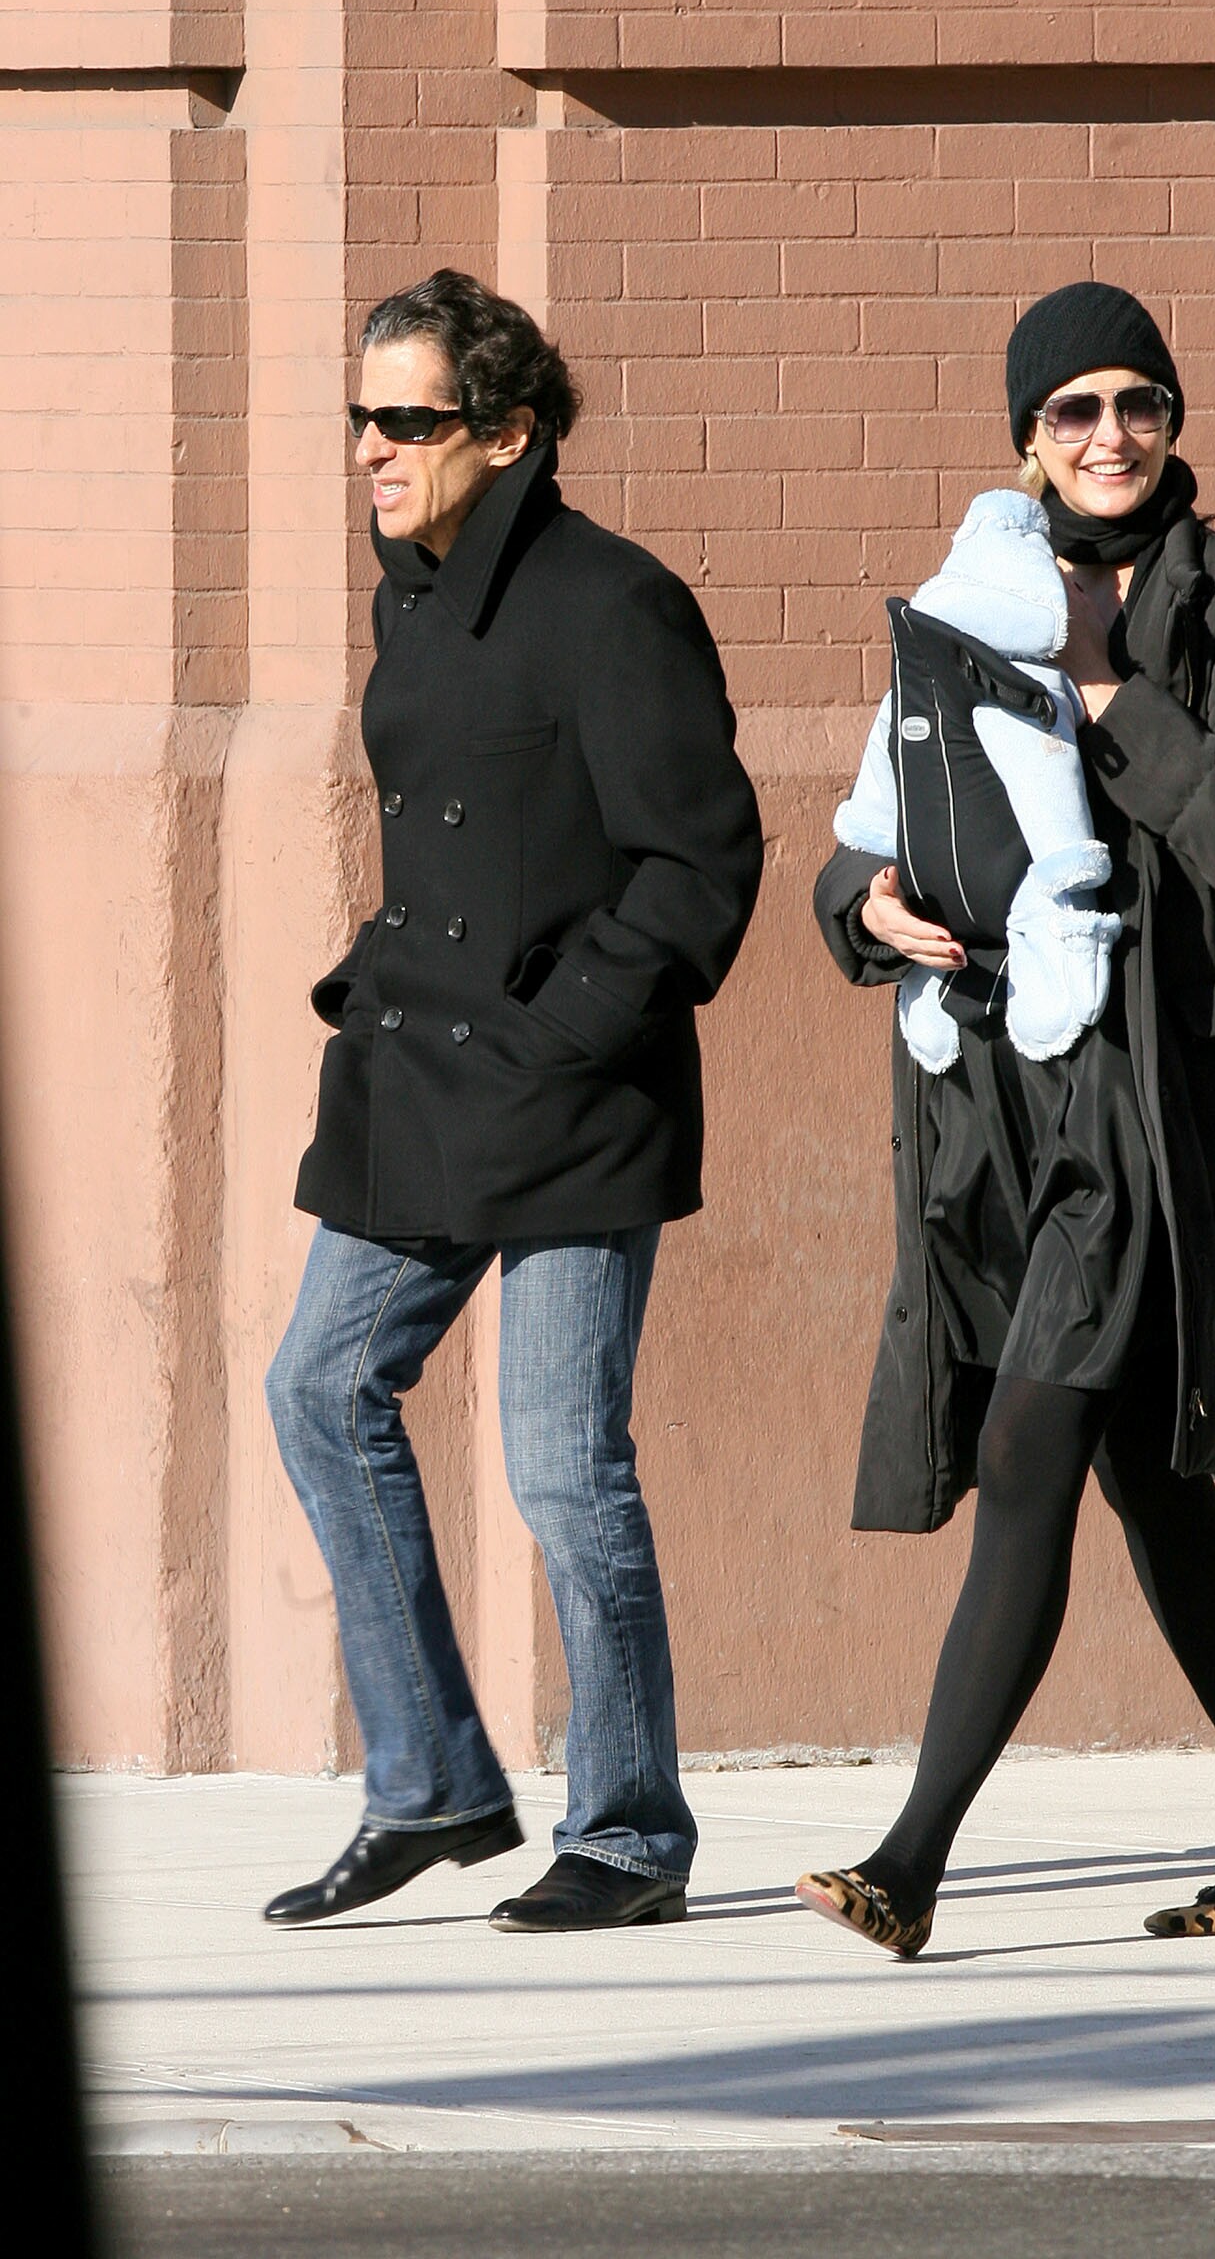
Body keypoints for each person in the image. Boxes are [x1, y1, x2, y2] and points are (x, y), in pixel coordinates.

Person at [798, 281, 1215, 1959]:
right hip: (1007, 1099)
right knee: (1150, 1483)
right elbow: (887, 798)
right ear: (1026, 438)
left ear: (1174, 421)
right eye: (1075, 411)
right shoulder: (976, 596)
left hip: (1161, 1108)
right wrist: (862, 904)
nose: (1110, 435)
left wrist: (1114, 689)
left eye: (1139, 403)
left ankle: (910, 1863)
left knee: (1028, 1444)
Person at [263, 270, 763, 1931]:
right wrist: (371, 979)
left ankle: (628, 1835)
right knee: (320, 1388)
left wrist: (564, 1029)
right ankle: (432, 1784)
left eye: (408, 420)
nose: (372, 448)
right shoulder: (412, 593)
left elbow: (699, 864)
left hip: (569, 1099)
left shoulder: (612, 603)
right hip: (420, 1077)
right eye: (363, 417)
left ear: (508, 432)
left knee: (559, 1468)